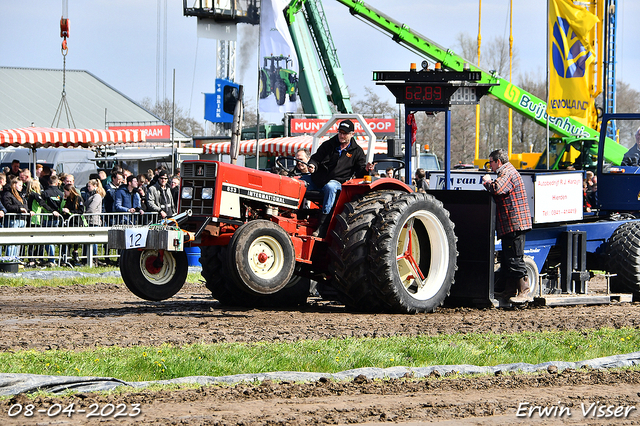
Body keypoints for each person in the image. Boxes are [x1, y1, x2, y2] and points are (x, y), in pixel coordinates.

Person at [303, 119, 375, 237]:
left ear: (352, 134)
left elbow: (360, 172)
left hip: (337, 182)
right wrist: (312, 165)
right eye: (340, 132)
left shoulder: (357, 152)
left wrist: (367, 169)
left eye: (345, 133)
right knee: (299, 182)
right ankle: (294, 213)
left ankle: (322, 226)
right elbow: (316, 158)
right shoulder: (328, 145)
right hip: (318, 179)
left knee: (330, 187)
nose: (341, 135)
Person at [481, 149, 533, 304]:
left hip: (514, 223)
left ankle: (525, 291)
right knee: (507, 259)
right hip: (510, 224)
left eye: (490, 162)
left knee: (515, 259)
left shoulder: (507, 173)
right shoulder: (508, 172)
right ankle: (509, 291)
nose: (489, 165)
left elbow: (496, 188)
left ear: (498, 161)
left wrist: (486, 181)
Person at [2, 177, 34, 258]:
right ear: (14, 185)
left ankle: (16, 258)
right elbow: (8, 206)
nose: (21, 187)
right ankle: (9, 258)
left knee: (18, 242)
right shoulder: (7, 194)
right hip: (13, 220)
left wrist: (29, 211)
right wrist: (19, 209)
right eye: (19, 185)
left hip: (22, 220)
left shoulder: (21, 195)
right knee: (11, 242)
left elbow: (24, 206)